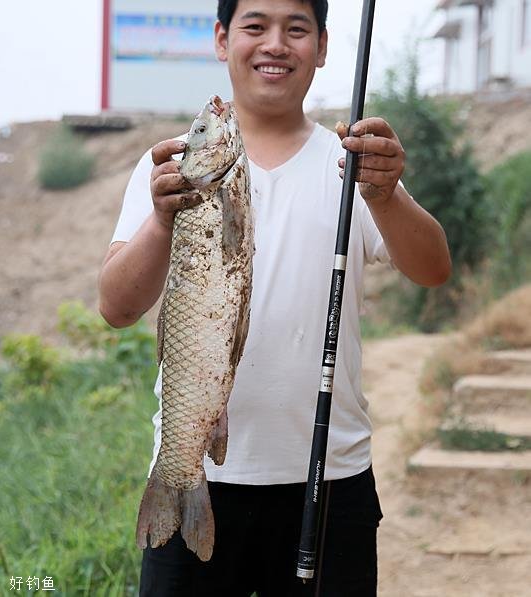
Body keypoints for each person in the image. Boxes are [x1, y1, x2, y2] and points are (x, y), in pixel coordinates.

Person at [98, 0, 452, 595]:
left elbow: (433, 269)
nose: (275, 45)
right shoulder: (168, 167)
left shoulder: (352, 166)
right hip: (200, 464)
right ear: (221, 39)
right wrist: (161, 220)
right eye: (254, 26)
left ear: (323, 46)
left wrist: (387, 196)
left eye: (296, 29)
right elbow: (117, 307)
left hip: (329, 475)